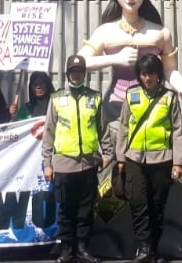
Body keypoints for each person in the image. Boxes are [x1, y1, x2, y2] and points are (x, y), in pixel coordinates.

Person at [78, 0, 182, 122]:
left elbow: (170, 69)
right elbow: (79, 63)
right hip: (115, 107)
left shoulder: (160, 33)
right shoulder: (105, 31)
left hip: (153, 105)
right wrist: (115, 59)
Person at [117, 54, 182, 263]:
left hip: (162, 160)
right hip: (135, 159)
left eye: (151, 73)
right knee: (138, 205)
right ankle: (143, 248)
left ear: (158, 75)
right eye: (143, 74)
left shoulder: (169, 97)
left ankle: (152, 250)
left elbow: (177, 131)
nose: (147, 78)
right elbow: (123, 126)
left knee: (157, 206)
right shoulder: (131, 95)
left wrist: (178, 162)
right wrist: (120, 157)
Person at [43, 55, 110, 263]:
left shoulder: (95, 97)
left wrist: (107, 153)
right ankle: (66, 249)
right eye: (73, 71)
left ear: (85, 74)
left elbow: (104, 129)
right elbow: (48, 133)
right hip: (64, 164)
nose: (77, 74)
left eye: (80, 71)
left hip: (89, 163)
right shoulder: (56, 98)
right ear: (67, 74)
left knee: (86, 209)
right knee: (65, 210)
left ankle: (83, 247)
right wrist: (47, 163)